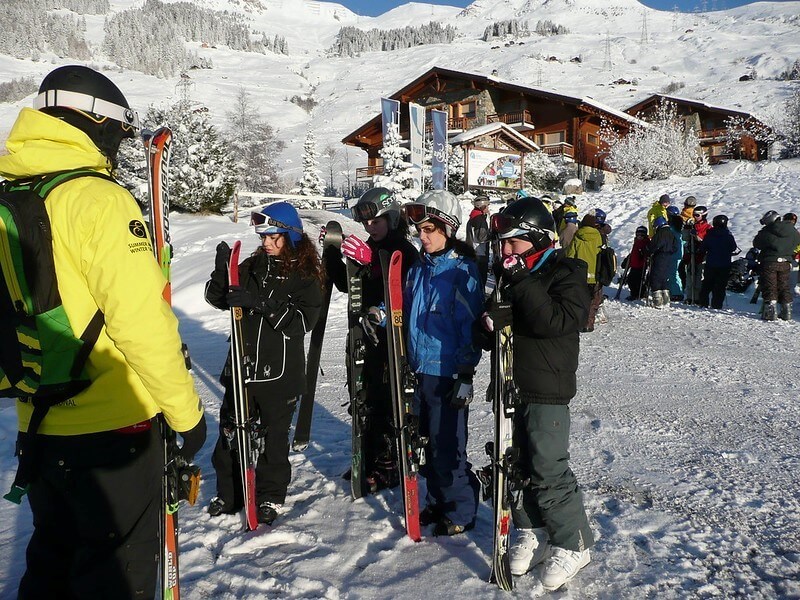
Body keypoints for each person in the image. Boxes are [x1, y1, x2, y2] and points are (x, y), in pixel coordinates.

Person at [0, 65, 206, 599]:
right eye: (117, 131)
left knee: (52, 563)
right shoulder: (98, 200)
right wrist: (187, 416)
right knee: (113, 575)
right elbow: (141, 324)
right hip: (117, 432)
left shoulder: (11, 193)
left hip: (40, 421)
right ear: (97, 123)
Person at [479, 196, 593, 592]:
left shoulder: (567, 272)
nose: (506, 251)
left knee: (548, 467)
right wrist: (489, 321)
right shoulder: (508, 275)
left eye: (514, 243)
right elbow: (491, 334)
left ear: (538, 238)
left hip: (547, 386)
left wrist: (521, 282)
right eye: (503, 244)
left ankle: (573, 541)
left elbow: (556, 321)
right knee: (516, 463)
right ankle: (530, 528)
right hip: (510, 383)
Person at [205, 202, 323, 525]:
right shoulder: (255, 265)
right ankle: (229, 495)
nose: (267, 243)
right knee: (230, 432)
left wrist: (259, 303)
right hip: (243, 367)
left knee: (273, 439)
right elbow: (219, 299)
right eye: (264, 237)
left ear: (290, 235)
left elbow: (303, 321)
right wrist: (221, 273)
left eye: (274, 237)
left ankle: (270, 496)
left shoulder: (305, 275)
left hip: (280, 372)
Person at [323, 187, 419, 492]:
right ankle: (367, 459)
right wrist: (332, 256)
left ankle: (388, 465)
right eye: (366, 222)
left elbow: (399, 287)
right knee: (364, 397)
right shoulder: (370, 246)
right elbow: (349, 286)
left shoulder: (404, 249)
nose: (369, 227)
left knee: (385, 400)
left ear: (391, 218)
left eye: (375, 221)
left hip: (393, 340)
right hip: (367, 335)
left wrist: (371, 263)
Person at [403, 189, 483, 536]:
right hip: (419, 369)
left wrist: (465, 371)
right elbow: (403, 309)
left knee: (448, 443)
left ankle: (461, 509)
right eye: (419, 230)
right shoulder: (419, 268)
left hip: (447, 371)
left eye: (429, 230)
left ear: (447, 228)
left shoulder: (462, 271)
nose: (422, 237)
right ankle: (437, 500)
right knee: (427, 443)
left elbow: (470, 325)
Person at [753, 210, 800, 321]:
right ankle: (786, 312)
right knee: (784, 286)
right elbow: (797, 243)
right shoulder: (792, 230)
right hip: (786, 262)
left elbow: (757, 243)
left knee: (770, 286)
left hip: (770, 261)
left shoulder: (767, 230)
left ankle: (770, 313)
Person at [564, 209, 606, 332]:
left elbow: (570, 254)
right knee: (594, 301)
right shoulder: (598, 236)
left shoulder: (578, 235)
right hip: (595, 274)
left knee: (580, 299)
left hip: (580, 274)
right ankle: (589, 324)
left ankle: (580, 323)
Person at [698, 215, 738, 309]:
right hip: (724, 265)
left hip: (711, 264)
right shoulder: (728, 235)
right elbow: (733, 248)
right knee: (720, 286)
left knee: (707, 284)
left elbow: (703, 248)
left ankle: (703, 303)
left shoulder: (710, 234)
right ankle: (717, 305)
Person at [646, 216, 679, 308]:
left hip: (660, 256)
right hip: (669, 257)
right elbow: (675, 247)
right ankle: (666, 300)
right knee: (664, 278)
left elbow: (654, 246)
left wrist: (648, 251)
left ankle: (658, 301)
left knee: (656, 277)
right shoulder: (671, 233)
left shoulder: (660, 233)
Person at [682, 205, 711, 303]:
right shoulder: (693, 226)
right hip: (692, 254)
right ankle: (690, 297)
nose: (695, 217)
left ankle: (698, 297)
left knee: (699, 276)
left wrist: (697, 236)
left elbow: (706, 242)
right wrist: (686, 228)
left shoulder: (708, 228)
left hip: (701, 255)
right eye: (694, 215)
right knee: (690, 275)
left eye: (697, 215)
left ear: (704, 215)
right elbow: (685, 238)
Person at [466, 195, 492, 288]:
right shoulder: (479, 218)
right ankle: (479, 298)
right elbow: (481, 237)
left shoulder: (473, 216)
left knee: (474, 277)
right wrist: (492, 234)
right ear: (482, 206)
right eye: (487, 206)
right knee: (480, 278)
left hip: (474, 251)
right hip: (480, 253)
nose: (488, 208)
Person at [625, 226, 650, 300]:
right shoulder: (636, 241)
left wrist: (644, 253)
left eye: (642, 235)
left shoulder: (646, 242)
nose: (639, 236)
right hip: (634, 264)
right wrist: (627, 260)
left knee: (637, 281)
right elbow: (633, 253)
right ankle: (637, 293)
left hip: (640, 265)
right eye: (638, 234)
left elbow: (647, 253)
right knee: (631, 280)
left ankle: (637, 294)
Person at [666, 207, 685, 301]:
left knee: (673, 273)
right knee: (674, 272)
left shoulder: (672, 227)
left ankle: (677, 292)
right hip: (678, 252)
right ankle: (675, 291)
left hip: (674, 252)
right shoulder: (679, 225)